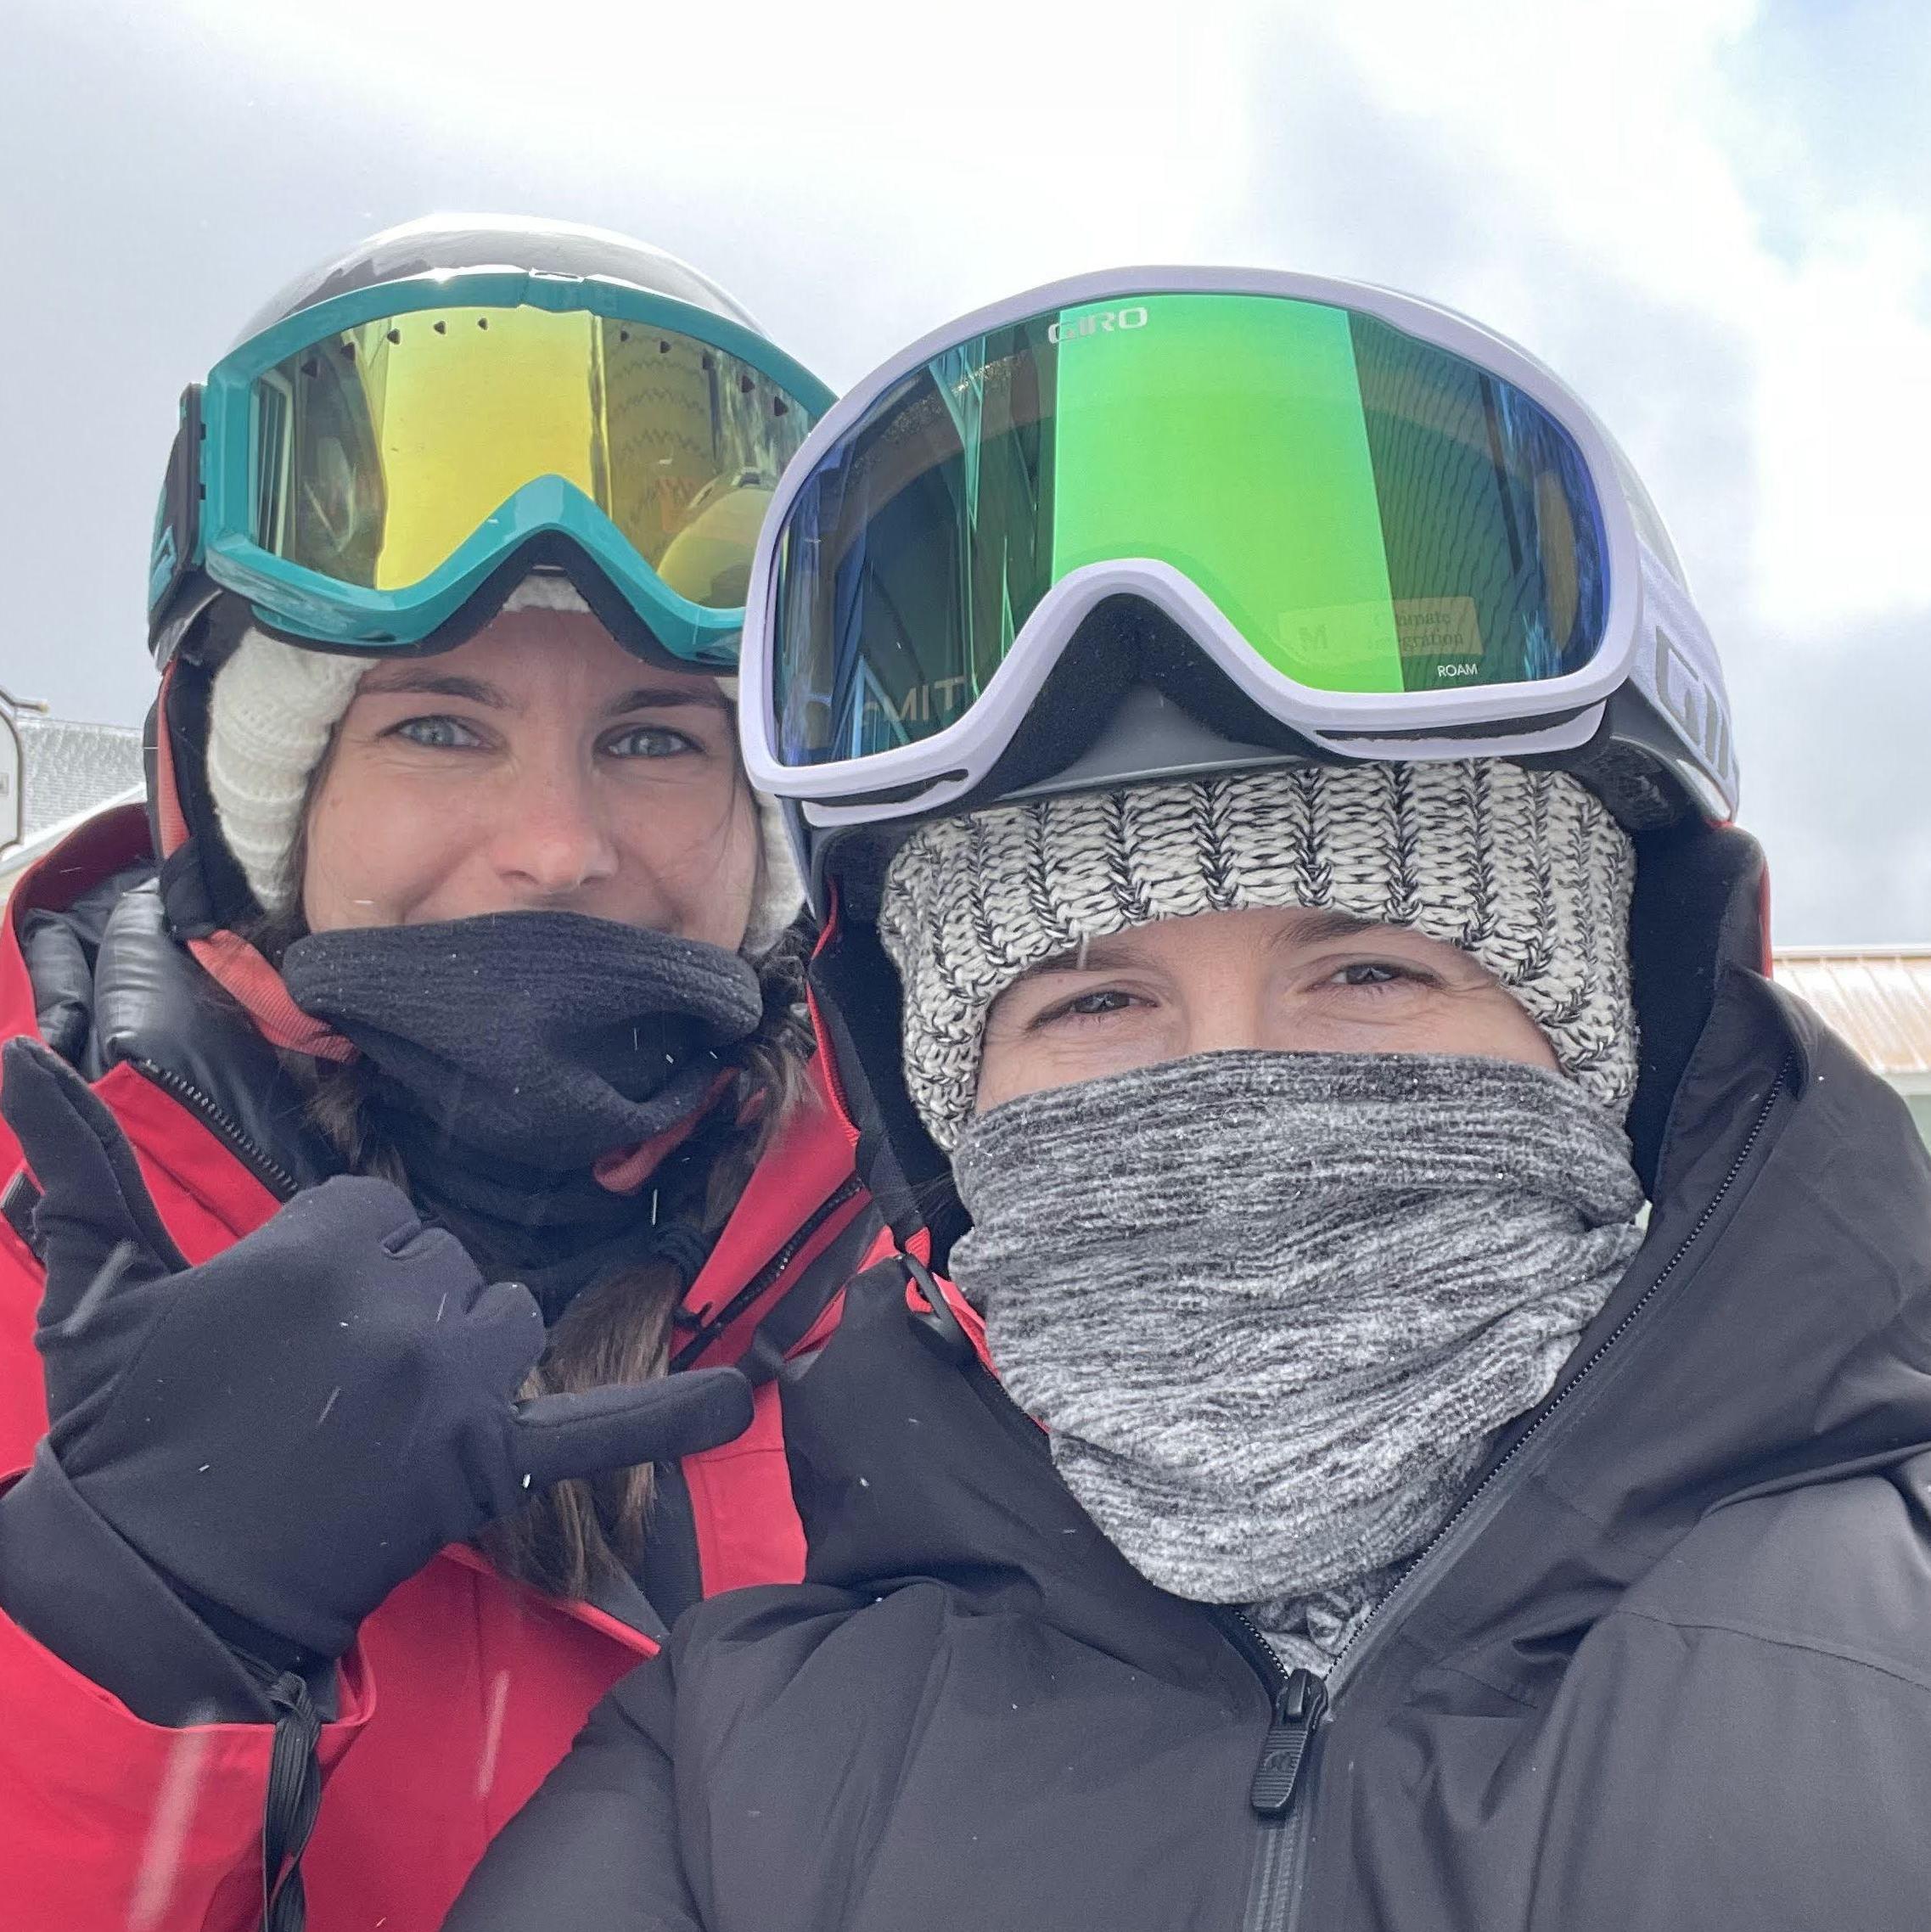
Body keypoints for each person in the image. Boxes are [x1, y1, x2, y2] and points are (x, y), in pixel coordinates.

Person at [446, 269, 1931, 1931]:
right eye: (1093, 997)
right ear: (947, 1123)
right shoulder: (731, 1780)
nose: (1226, 1075)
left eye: (1371, 971)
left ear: (1614, 1044)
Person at [0, 216, 881, 1932]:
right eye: (438, 726)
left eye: (649, 738)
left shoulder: (954, 1319)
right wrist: (127, 1632)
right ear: (261, 800)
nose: (554, 846)